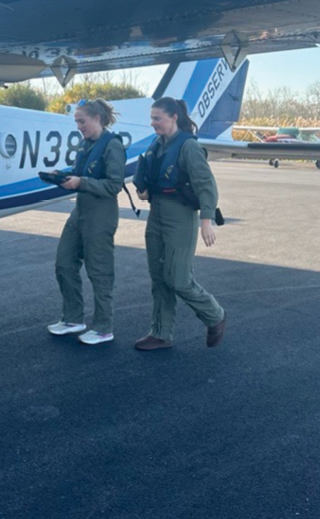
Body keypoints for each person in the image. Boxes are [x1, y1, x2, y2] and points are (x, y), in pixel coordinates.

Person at [133, 98, 226, 350]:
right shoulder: (158, 144)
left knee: (178, 278)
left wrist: (206, 221)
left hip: (180, 216)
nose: (153, 124)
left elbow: (206, 185)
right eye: (152, 118)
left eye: (157, 118)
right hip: (157, 213)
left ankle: (214, 315)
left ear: (174, 117)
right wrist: (145, 191)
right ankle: (161, 333)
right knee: (158, 276)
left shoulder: (188, 147)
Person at [47, 99, 127, 345]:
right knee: (64, 263)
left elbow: (114, 185)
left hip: (100, 214)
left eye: (82, 121)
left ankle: (104, 327)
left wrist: (81, 183)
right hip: (80, 211)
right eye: (77, 122)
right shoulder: (85, 144)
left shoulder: (112, 146)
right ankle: (73, 319)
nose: (79, 126)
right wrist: (61, 176)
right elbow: (80, 171)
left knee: (99, 270)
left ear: (97, 119)